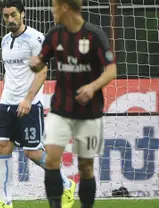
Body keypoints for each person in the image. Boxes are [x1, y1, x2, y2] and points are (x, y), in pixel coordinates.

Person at [29, 0, 117, 207]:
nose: (52, 11)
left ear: (65, 7)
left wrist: (92, 87)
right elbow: (41, 62)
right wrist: (35, 64)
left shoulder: (95, 35)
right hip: (60, 109)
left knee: (86, 166)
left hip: (90, 112)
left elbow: (112, 70)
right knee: (51, 159)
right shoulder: (54, 35)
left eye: (54, 7)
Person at [0, 1, 76, 208]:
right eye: (6, 16)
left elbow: (43, 71)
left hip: (29, 104)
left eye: (13, 15)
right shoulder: (4, 40)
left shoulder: (36, 38)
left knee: (33, 152)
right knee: (1, 146)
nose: (9, 19)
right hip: (6, 103)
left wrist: (27, 99)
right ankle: (6, 201)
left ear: (23, 14)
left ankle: (66, 184)